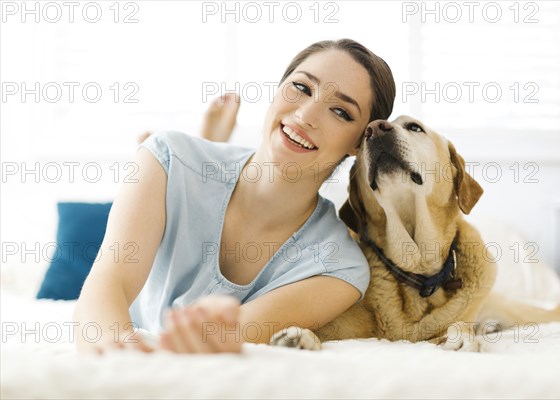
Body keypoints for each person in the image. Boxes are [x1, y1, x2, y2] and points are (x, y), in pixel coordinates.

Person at [73, 38, 396, 354]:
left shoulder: (338, 270)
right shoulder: (167, 157)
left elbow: (214, 340)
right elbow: (108, 284)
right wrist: (117, 352)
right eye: (301, 88)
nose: (305, 116)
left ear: (359, 143)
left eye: (340, 111)